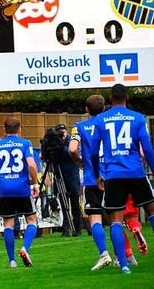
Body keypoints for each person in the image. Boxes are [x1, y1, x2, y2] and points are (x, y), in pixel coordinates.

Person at [89, 84, 154, 274]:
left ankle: (124, 265)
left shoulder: (100, 119)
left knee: (116, 220)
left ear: (110, 99)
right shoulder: (138, 118)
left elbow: (93, 151)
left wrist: (96, 174)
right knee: (151, 211)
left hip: (113, 174)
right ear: (127, 98)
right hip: (135, 171)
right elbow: (148, 149)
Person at [0, 117, 40, 268]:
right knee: (32, 221)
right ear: (19, 129)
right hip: (22, 189)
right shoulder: (25, 143)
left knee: (8, 224)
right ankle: (25, 248)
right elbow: (32, 165)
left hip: (5, 191)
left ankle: (12, 260)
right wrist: (35, 183)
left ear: (4, 130)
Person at [68, 94, 113, 270]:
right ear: (103, 108)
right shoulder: (109, 125)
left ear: (86, 109)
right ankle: (123, 257)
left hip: (92, 177)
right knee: (116, 219)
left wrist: (79, 161)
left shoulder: (80, 127)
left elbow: (72, 149)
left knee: (95, 218)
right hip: (112, 176)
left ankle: (104, 254)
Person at [53, 123, 83, 237]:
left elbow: (72, 153)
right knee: (63, 202)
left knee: (75, 202)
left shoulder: (72, 141)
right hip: (59, 176)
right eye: (59, 132)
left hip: (72, 175)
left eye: (63, 131)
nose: (62, 134)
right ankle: (65, 228)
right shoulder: (54, 143)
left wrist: (62, 147)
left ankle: (77, 227)